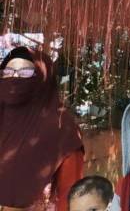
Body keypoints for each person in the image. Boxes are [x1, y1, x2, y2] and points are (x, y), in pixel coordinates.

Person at [0, 46, 85, 211]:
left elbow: (70, 196)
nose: (14, 77)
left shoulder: (61, 127)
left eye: (25, 72)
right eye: (8, 71)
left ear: (43, 78)